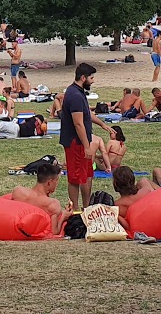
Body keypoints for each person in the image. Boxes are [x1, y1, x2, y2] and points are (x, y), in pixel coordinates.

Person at [59, 62, 99, 211]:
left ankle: (86, 208)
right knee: (75, 178)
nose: (93, 81)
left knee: (88, 174)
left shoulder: (78, 91)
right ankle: (75, 210)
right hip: (75, 142)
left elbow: (87, 113)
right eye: (91, 78)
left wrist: (104, 125)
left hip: (82, 141)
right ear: (83, 78)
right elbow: (78, 124)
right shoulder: (75, 95)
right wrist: (87, 146)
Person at [7, 162, 67, 230]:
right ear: (49, 182)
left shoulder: (18, 191)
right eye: (56, 180)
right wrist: (64, 216)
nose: (57, 184)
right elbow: (54, 232)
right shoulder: (52, 204)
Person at [112, 165, 161, 229]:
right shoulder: (146, 191)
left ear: (115, 184)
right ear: (133, 180)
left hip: (149, 227)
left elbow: (128, 227)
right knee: (152, 174)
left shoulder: (117, 206)